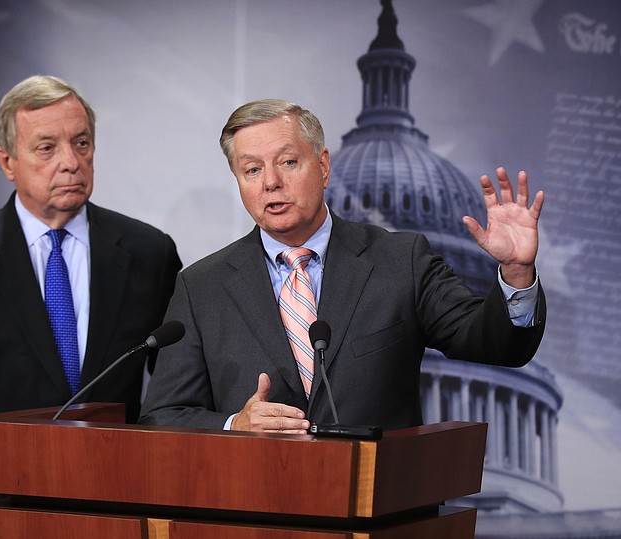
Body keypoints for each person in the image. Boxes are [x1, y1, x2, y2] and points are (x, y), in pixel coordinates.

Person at [139, 98, 544, 434]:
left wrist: (516, 273)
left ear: (324, 166)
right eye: (252, 170)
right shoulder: (201, 287)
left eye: (288, 162)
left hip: (377, 512)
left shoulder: (401, 261)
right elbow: (162, 416)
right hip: (258, 516)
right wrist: (234, 425)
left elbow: (496, 344)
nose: (271, 183)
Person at [0, 75, 181, 538]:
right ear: (7, 162)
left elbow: (177, 395)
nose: (70, 162)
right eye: (46, 148)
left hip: (112, 511)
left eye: (81, 143)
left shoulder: (149, 252)